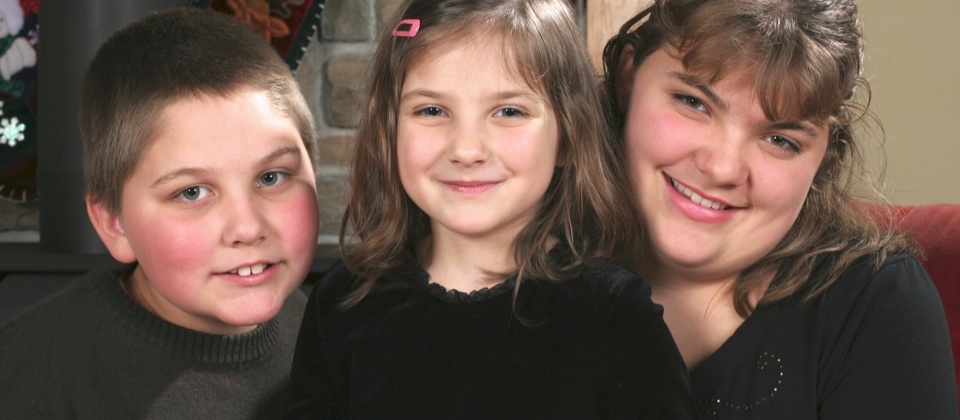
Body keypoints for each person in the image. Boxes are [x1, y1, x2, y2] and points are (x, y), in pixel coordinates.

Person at [284, 0, 697, 417]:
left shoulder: (615, 316)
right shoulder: (342, 303)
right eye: (431, 110)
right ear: (389, 130)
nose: (466, 150)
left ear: (569, 136)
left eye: (508, 111)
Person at [602, 0, 959, 418]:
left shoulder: (876, 306)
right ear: (628, 78)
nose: (722, 168)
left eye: (779, 140)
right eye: (692, 102)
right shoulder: (539, 255)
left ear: (825, 156)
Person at [0, 8, 319, 419]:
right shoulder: (27, 379)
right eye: (191, 192)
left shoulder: (328, 334)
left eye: (271, 177)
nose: (247, 227)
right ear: (114, 224)